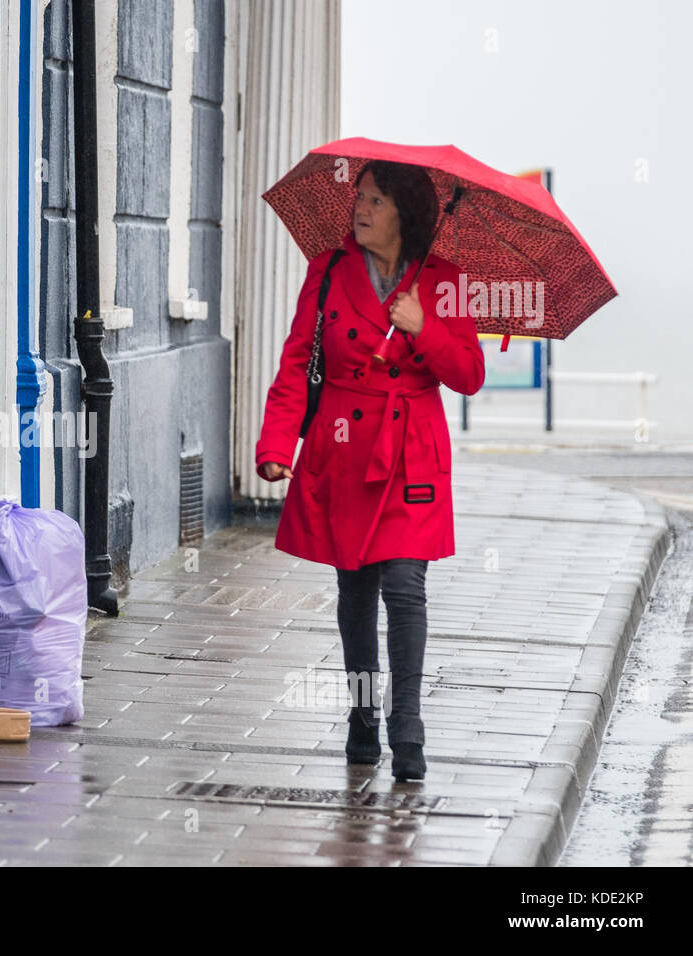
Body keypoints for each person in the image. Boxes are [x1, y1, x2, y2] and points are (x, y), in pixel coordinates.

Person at [255, 160, 485, 782]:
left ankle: (406, 724)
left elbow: (467, 375)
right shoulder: (327, 272)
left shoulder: (444, 282)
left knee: (406, 587)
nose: (361, 208)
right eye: (360, 196)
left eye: (377, 200)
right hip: (344, 450)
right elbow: (297, 359)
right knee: (355, 592)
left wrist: (424, 326)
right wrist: (277, 443)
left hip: (411, 450)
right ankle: (362, 718)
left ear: (405, 216)